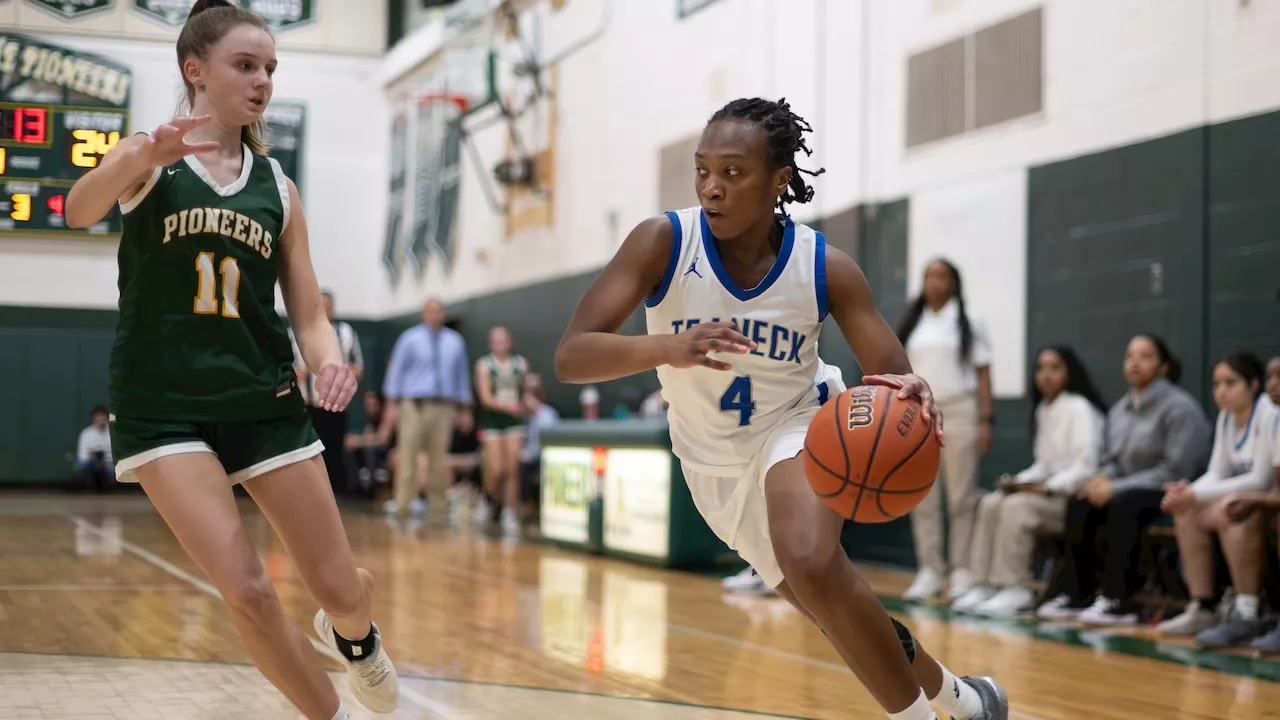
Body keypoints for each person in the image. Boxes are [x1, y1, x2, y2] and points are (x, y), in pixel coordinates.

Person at [554, 97, 1006, 720]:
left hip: (801, 424)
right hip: (711, 465)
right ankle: (964, 698)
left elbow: (894, 373)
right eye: (703, 170)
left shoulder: (824, 267)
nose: (712, 188)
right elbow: (572, 356)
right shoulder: (663, 241)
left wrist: (913, 387)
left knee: (814, 562)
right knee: (838, 611)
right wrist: (668, 346)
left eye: (733, 173)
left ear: (779, 180)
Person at [63, 3, 398, 719]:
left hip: (261, 396)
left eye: (270, 68)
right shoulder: (146, 159)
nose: (262, 81)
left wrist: (329, 360)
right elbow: (76, 210)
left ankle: (358, 639)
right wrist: (132, 157)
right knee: (246, 589)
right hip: (162, 405)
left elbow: (307, 309)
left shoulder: (278, 188)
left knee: (339, 590)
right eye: (245, 66)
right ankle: (327, 713)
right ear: (196, 71)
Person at [1038, 334, 1212, 626]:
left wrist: (1115, 487)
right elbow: (1113, 461)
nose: (1135, 362)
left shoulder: (1180, 408)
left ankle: (1118, 600)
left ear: (1164, 366)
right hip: (1128, 490)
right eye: (1130, 356)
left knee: (1124, 505)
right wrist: (1099, 480)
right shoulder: (1120, 410)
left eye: (1145, 356)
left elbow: (1174, 471)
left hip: (1170, 492)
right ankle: (1076, 594)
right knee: (1080, 499)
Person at [954, 346, 1107, 617]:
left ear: (1069, 372)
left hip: (1070, 501)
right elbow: (1044, 465)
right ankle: (982, 585)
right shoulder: (1044, 410)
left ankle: (1016, 588)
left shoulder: (1080, 408)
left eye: (1055, 367)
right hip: (1046, 495)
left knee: (1017, 507)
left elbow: (1085, 467)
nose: (1046, 375)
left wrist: (1046, 487)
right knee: (990, 502)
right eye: (1041, 368)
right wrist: (1018, 481)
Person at [1156, 353, 1276, 647]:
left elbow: (1260, 480)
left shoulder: (1268, 413)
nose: (1221, 391)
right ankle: (1204, 605)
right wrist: (1186, 494)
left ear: (1254, 384)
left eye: (1230, 383)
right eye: (1216, 384)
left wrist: (1195, 493)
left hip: (1268, 504)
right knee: (1187, 512)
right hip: (1247, 500)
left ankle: (1247, 611)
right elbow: (1217, 473)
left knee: (1230, 508)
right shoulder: (1226, 418)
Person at [896, 258, 994, 602]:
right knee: (923, 496)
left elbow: (983, 372)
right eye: (928, 276)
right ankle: (930, 570)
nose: (934, 282)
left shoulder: (969, 321)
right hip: (920, 412)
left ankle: (962, 570)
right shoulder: (914, 323)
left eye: (941, 276)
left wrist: (986, 419)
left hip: (961, 410)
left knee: (961, 496)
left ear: (954, 282)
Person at [381, 298, 473, 523]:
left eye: (439, 311)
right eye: (430, 311)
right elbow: (396, 372)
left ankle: (438, 510)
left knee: (439, 460)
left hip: (444, 406)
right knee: (408, 456)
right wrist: (391, 405)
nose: (435, 315)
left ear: (443, 314)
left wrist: (465, 409)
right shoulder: (410, 339)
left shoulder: (455, 341)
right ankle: (402, 506)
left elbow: (462, 375)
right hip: (414, 404)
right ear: (424, 314)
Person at [290, 290, 364, 495]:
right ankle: (306, 493)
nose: (324, 310)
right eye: (320, 305)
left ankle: (334, 495)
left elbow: (359, 368)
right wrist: (297, 374)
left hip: (335, 405)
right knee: (305, 452)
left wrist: (344, 374)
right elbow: (283, 368)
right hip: (305, 406)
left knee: (333, 452)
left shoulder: (346, 332)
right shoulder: (294, 332)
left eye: (328, 306)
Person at [474, 325, 529, 534]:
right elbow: (486, 399)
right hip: (492, 421)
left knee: (512, 469)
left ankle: (509, 512)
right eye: (496, 340)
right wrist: (508, 406)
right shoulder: (484, 365)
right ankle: (487, 498)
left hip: (514, 422)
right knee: (496, 469)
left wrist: (524, 405)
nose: (500, 344)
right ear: (491, 344)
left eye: (503, 339)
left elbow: (523, 393)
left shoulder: (520, 364)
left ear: (509, 342)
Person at [75, 405, 116, 492]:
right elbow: (81, 454)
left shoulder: (112, 433)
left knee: (113, 468)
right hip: (89, 462)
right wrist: (92, 458)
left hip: (108, 463)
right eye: (98, 418)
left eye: (103, 418)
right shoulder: (86, 434)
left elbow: (115, 453)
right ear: (93, 419)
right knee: (80, 465)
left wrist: (104, 460)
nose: (101, 421)